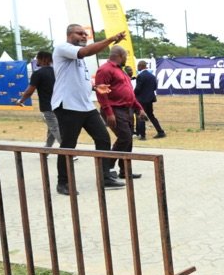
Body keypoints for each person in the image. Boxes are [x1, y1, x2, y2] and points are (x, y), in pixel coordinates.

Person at [51, 25, 127, 195]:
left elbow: (77, 79)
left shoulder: (79, 58)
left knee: (103, 138)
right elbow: (85, 52)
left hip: (85, 106)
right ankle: (63, 182)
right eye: (80, 33)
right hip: (68, 105)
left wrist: (94, 87)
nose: (84, 36)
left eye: (85, 34)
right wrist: (110, 40)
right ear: (69, 34)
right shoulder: (63, 48)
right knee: (69, 145)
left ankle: (105, 177)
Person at [95, 46, 147, 180]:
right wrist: (109, 113)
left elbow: (130, 94)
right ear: (120, 55)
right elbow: (101, 93)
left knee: (128, 141)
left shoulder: (121, 71)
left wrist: (139, 108)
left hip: (127, 109)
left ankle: (125, 171)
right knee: (125, 137)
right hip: (115, 109)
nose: (126, 59)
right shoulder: (105, 70)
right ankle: (107, 168)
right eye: (125, 56)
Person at [15, 51, 61, 147]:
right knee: (52, 129)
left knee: (55, 129)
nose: (36, 60)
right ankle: (46, 150)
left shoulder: (38, 73)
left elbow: (29, 91)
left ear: (43, 59)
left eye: (38, 58)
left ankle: (69, 151)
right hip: (59, 106)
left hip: (47, 107)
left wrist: (21, 100)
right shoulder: (57, 71)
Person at [134, 60, 165, 140]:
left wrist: (133, 94)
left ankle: (142, 135)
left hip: (141, 100)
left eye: (138, 66)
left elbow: (138, 89)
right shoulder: (152, 76)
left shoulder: (140, 76)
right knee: (151, 115)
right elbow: (154, 87)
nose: (137, 67)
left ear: (141, 66)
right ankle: (160, 132)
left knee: (141, 116)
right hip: (150, 99)